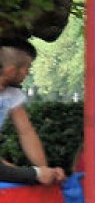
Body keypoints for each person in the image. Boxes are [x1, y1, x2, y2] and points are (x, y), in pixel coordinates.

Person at [1, 38, 58, 180]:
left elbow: (26, 132)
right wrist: (37, 174)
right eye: (27, 68)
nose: (27, 74)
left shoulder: (12, 95)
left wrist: (44, 170)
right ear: (11, 71)